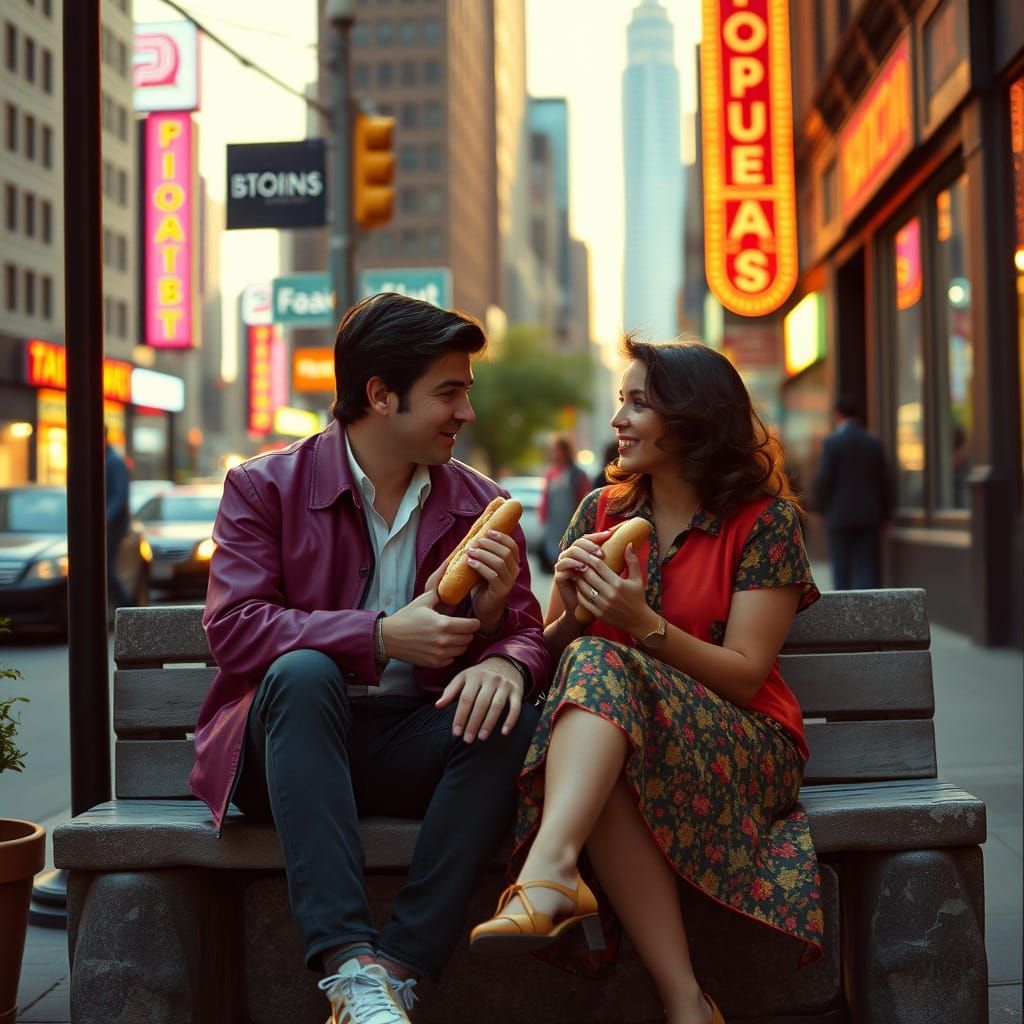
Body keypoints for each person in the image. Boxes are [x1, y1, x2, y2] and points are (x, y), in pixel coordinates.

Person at [189, 293, 548, 1024]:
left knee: (510, 716)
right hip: (285, 748)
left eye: (466, 393)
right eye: (448, 393)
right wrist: (380, 635)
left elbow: (529, 633)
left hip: (406, 742)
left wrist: (501, 653)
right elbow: (235, 629)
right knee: (303, 671)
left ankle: (393, 973)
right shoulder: (262, 487)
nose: (465, 413)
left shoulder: (481, 504)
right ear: (381, 395)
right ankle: (347, 963)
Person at [470, 338, 823, 1024]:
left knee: (601, 672)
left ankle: (548, 874)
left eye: (639, 403)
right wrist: (573, 613)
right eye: (621, 401)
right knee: (597, 718)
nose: (618, 420)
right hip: (621, 740)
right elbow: (553, 652)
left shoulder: (763, 522)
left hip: (743, 746)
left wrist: (638, 621)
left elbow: (748, 678)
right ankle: (687, 1004)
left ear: (693, 419)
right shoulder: (599, 511)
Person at [813, 395, 892, 589]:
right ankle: (865, 613)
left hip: (839, 516)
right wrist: (886, 514)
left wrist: (820, 508)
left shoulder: (832, 443)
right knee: (866, 567)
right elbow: (885, 481)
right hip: (869, 515)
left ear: (838, 414)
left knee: (841, 569)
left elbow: (824, 479)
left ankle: (843, 614)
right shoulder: (873, 443)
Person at [539, 434, 591, 571]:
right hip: (553, 525)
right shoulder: (550, 473)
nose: (554, 454)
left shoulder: (577, 474)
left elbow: (586, 499)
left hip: (571, 523)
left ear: (565, 451)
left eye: (557, 450)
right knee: (553, 557)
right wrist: (543, 517)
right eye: (553, 450)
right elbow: (545, 498)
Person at [104, 427, 131, 611]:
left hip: (112, 527)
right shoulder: (106, 459)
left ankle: (128, 610)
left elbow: (119, 497)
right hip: (109, 525)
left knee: (106, 570)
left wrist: (103, 521)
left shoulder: (113, 461)